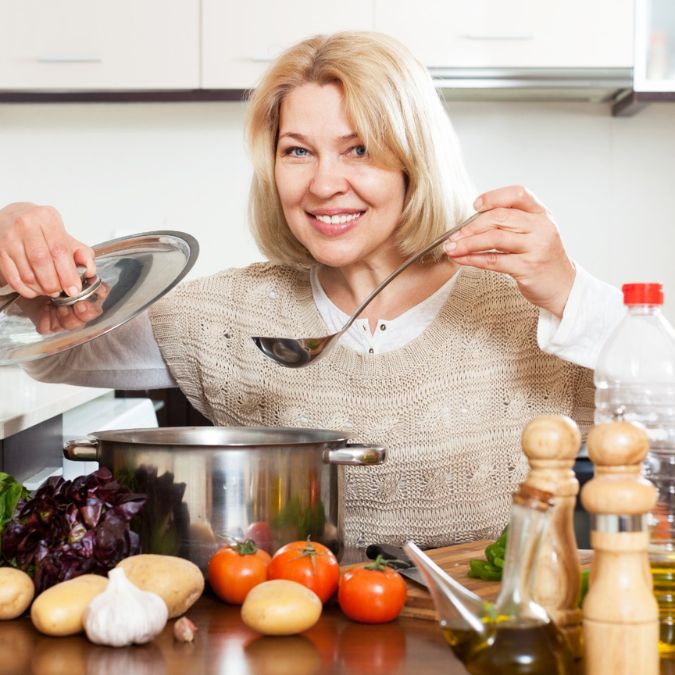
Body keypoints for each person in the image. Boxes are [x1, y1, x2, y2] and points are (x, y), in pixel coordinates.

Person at [0, 32, 623, 549]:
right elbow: (48, 347)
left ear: (415, 161)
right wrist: (15, 253)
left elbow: (661, 411)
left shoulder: (521, 308)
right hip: (287, 624)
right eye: (298, 151)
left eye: (360, 150)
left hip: (477, 630)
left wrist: (571, 292)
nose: (325, 184)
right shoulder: (223, 315)